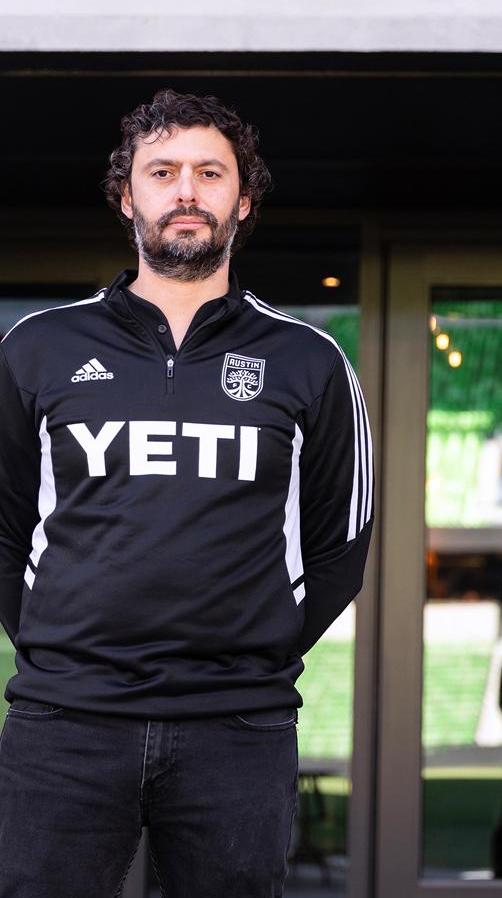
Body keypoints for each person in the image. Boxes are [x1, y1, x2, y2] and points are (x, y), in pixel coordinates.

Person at [0, 89, 373, 896]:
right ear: (125, 195)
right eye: (162, 171)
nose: (186, 191)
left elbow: (340, 548)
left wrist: (252, 647)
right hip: (64, 722)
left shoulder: (309, 361)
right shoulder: (37, 349)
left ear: (244, 199)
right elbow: (1, 527)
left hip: (237, 726)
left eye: (210, 172)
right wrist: (56, 640)